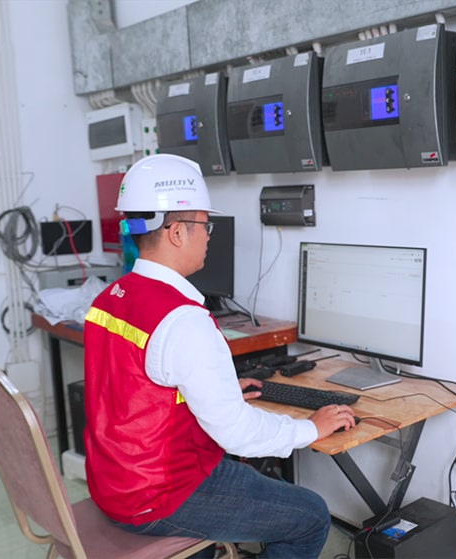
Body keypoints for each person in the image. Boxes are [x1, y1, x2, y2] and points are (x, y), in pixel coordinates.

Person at [82, 153, 356, 558]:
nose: (209, 234)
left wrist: (220, 390)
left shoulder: (108, 300)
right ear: (176, 232)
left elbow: (133, 389)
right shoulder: (183, 319)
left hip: (114, 482)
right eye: (204, 224)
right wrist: (311, 429)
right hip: (161, 493)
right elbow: (236, 433)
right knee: (311, 516)